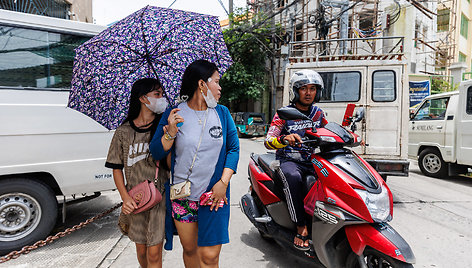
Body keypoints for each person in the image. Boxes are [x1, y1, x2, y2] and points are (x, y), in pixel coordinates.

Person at [150, 59, 239, 268]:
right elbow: (156, 151)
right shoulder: (174, 113)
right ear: (202, 84)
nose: (220, 87)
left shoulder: (222, 114)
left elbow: (233, 150)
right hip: (182, 195)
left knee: (209, 256)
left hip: (214, 196)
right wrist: (170, 133)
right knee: (190, 250)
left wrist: (223, 183)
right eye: (217, 81)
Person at [105, 78, 169, 268]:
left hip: (159, 197)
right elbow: (116, 168)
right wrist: (125, 198)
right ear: (142, 98)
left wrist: (170, 134)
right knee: (141, 250)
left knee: (155, 251)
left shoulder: (163, 128)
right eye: (157, 94)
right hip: (136, 199)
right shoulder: (123, 132)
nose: (162, 98)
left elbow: (171, 163)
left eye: (162, 94)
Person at [264, 69, 327, 251]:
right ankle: (300, 225)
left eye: (313, 89)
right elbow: (268, 142)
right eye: (304, 88)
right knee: (293, 178)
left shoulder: (317, 113)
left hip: (312, 160)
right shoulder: (284, 113)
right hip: (289, 160)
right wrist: (284, 139)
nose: (308, 93)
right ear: (296, 91)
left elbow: (326, 132)